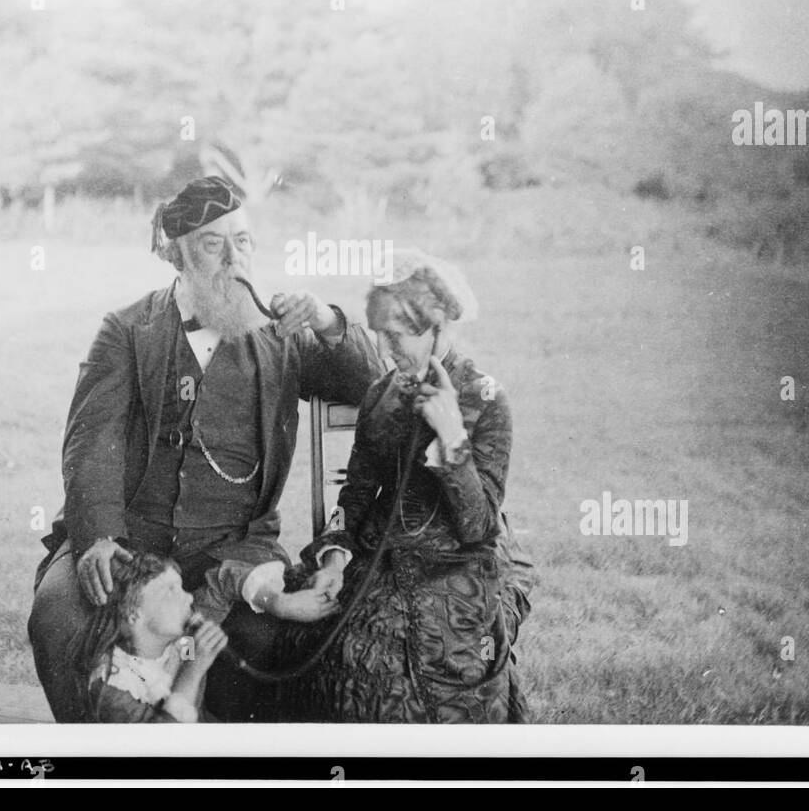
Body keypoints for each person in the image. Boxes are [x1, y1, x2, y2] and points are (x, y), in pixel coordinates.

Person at [27, 176, 383, 721]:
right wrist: (99, 536)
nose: (233, 258)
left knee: (265, 638)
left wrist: (329, 322)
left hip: (234, 548)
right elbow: (91, 440)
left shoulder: (280, 336)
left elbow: (374, 389)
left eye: (242, 241)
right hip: (130, 542)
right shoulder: (128, 330)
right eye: (213, 244)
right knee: (61, 615)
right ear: (177, 254)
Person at [273, 250, 533, 723]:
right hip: (379, 558)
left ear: (439, 327)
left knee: (399, 660)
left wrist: (452, 436)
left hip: (455, 565)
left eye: (396, 335)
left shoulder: (485, 398)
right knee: (314, 633)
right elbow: (354, 495)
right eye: (377, 333)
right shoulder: (380, 393)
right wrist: (334, 560)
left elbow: (477, 525)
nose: (385, 348)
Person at [73, 553, 227, 723]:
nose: (189, 597)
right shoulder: (113, 687)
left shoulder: (184, 640)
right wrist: (193, 670)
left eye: (181, 588)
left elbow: (219, 592)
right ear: (132, 613)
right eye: (170, 592)